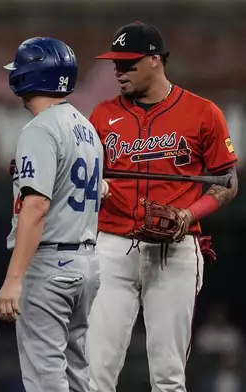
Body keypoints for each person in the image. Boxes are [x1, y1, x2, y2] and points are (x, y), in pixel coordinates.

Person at [85, 21, 239, 392]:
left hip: (175, 251)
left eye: (128, 63)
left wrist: (190, 214)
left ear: (155, 60)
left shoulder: (203, 113)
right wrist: (96, 186)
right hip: (113, 246)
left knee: (169, 377)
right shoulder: (102, 115)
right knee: (95, 374)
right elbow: (85, 178)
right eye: (115, 63)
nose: (118, 71)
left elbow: (227, 182)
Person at [0, 37, 103, 392]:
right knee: (76, 377)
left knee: (46, 381)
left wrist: (14, 278)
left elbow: (36, 206)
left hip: (50, 265)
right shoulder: (86, 127)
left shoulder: (41, 128)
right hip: (85, 265)